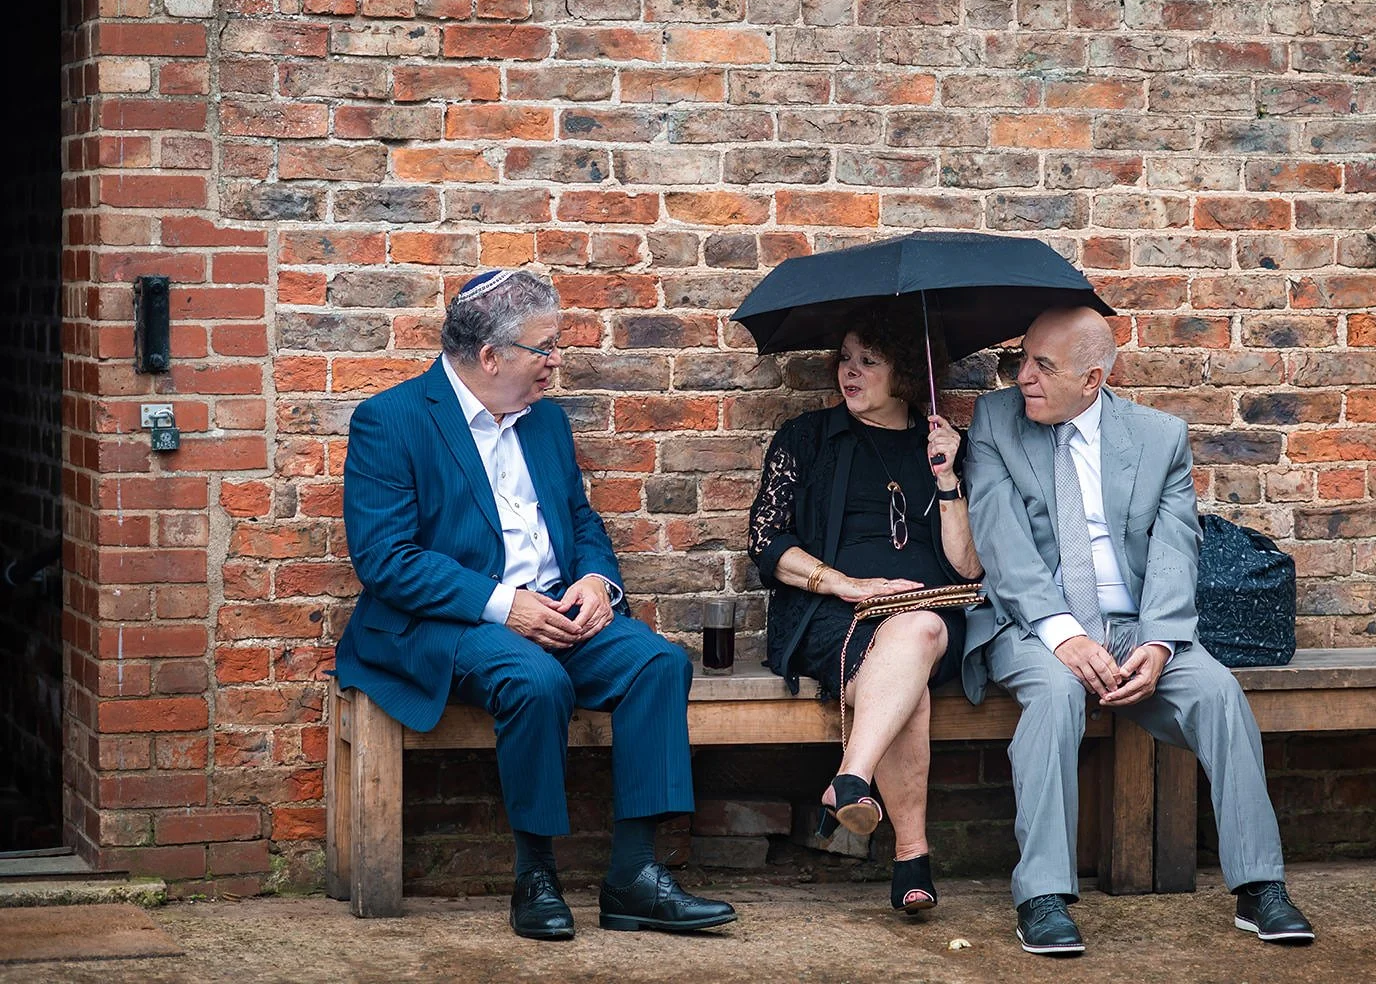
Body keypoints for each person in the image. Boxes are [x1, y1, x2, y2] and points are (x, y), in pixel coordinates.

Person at [336, 268, 735, 940]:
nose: (556, 361)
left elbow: (580, 521)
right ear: (491, 357)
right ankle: (536, 874)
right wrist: (503, 605)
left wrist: (596, 584)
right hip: (451, 623)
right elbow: (386, 559)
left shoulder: (544, 422)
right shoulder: (392, 420)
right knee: (534, 679)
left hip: (558, 609)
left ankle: (635, 876)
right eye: (544, 348)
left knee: (658, 665)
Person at [964, 306, 1314, 956]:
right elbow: (1001, 540)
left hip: (1134, 626)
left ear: (1092, 379)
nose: (1024, 380)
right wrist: (1064, 634)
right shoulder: (995, 423)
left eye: (1043, 367)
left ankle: (1260, 887)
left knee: (1217, 695)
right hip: (1032, 624)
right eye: (1022, 361)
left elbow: (1177, 548)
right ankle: (1041, 897)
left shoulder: (1157, 438)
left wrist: (1158, 642)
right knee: (1056, 695)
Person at [747, 308, 982, 914]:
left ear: (905, 373)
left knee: (921, 627)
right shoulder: (805, 439)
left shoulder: (946, 448)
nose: (849, 373)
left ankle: (851, 777)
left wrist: (948, 480)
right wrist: (843, 583)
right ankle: (911, 858)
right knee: (910, 677)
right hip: (833, 616)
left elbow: (969, 570)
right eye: (845, 359)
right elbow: (767, 544)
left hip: (935, 610)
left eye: (868, 362)